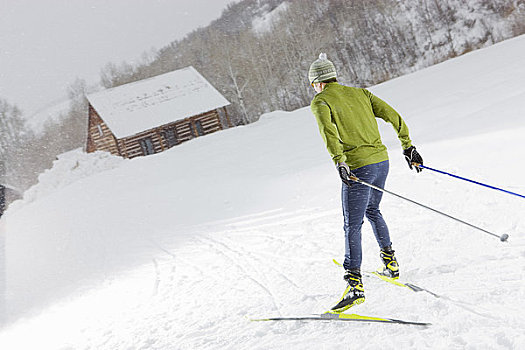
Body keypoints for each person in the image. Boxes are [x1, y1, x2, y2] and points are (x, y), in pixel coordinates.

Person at [309, 53, 423, 313]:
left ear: (318, 83)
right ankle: (391, 264)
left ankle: (354, 287)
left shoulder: (321, 101)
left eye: (313, 85)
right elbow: (393, 115)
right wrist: (408, 145)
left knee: (352, 224)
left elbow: (329, 133)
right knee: (372, 210)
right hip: (382, 163)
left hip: (358, 167)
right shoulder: (362, 94)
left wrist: (340, 161)